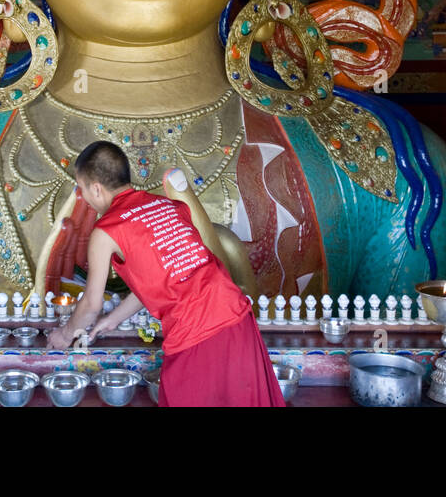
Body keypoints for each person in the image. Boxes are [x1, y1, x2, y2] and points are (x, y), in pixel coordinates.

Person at [47, 141, 284, 407]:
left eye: (82, 189)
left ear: (96, 188)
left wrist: (65, 335)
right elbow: (155, 280)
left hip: (197, 334)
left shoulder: (107, 230)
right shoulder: (168, 207)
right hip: (237, 319)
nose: (85, 199)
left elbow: (91, 304)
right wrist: (113, 319)